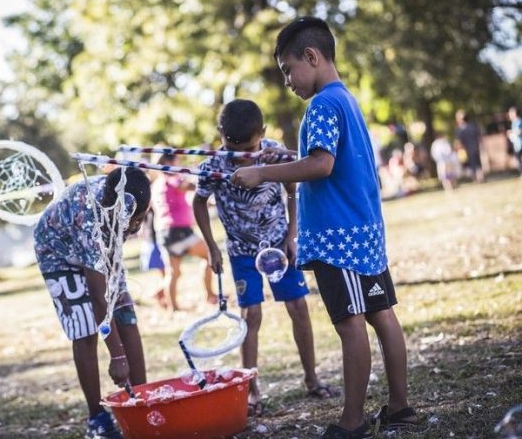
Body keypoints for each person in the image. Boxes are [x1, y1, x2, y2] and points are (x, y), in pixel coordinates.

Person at [231, 17, 416, 439]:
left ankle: (353, 422)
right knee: (381, 316)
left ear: (312, 57)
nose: (288, 82)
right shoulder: (345, 99)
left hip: (339, 240)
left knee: (350, 323)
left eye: (287, 69)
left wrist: (262, 174)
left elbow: (321, 164)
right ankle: (400, 406)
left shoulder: (321, 106)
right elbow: (328, 159)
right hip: (364, 233)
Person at [192, 99, 335, 418]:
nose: (243, 153)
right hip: (242, 252)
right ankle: (251, 390)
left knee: (298, 306)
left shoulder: (273, 152)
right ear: (221, 134)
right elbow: (199, 203)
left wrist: (292, 233)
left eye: (250, 146)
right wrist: (212, 247)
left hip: (280, 246)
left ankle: (312, 378)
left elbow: (293, 185)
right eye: (234, 146)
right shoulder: (213, 165)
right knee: (251, 315)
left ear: (263, 133)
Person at [33, 167, 151, 439]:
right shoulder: (93, 223)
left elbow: (115, 304)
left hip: (95, 242)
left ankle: (144, 403)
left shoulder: (130, 195)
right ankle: (97, 418)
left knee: (126, 314)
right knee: (85, 329)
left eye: (142, 218)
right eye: (136, 221)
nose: (138, 227)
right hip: (57, 250)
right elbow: (99, 299)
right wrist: (117, 357)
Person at [151, 154, 215, 310]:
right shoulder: (171, 178)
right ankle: (210, 295)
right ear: (168, 163)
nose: (179, 163)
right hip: (179, 231)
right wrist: (198, 174)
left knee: (173, 272)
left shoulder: (157, 184)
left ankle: (173, 308)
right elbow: (190, 187)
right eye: (177, 161)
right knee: (210, 256)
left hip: (163, 232)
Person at [455, 109, 485, 183]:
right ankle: (479, 178)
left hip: (469, 149)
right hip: (472, 149)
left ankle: (478, 178)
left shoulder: (460, 130)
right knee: (476, 164)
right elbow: (479, 138)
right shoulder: (473, 126)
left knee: (475, 165)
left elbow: (458, 142)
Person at [507, 106, 522, 175]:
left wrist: (513, 132)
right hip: (517, 145)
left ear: (515, 113)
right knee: (517, 160)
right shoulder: (513, 123)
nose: (509, 114)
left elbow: (519, 131)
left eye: (510, 113)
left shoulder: (519, 121)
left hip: (520, 144)